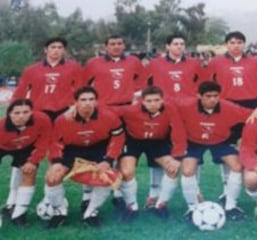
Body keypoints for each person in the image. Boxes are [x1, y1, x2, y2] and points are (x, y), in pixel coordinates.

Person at [203, 31, 257, 203]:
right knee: (226, 149)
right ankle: (227, 191)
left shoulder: (255, 62)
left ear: (244, 44)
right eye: (232, 42)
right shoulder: (216, 62)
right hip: (226, 108)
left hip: (252, 108)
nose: (236, 45)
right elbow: (206, 85)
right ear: (226, 44)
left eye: (239, 42)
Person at [6, 37, 82, 215]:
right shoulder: (32, 70)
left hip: (63, 116)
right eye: (53, 47)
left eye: (60, 47)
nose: (56, 50)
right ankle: (12, 200)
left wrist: (74, 108)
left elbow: (81, 91)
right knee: (25, 157)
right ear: (45, 50)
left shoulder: (73, 67)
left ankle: (52, 197)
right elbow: (19, 94)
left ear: (64, 50)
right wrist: (18, 114)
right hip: (38, 116)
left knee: (60, 155)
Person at [45, 86, 125, 228]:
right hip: (72, 150)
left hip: (98, 147)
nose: (87, 103)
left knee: (106, 177)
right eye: (83, 100)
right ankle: (59, 211)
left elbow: (118, 138)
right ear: (75, 102)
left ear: (96, 101)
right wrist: (56, 161)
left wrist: (108, 160)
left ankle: (91, 213)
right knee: (52, 177)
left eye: (91, 99)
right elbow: (55, 142)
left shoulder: (109, 116)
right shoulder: (62, 120)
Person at [82, 35, 145, 209]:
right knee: (98, 150)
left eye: (119, 43)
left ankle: (118, 191)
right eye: (112, 44)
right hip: (102, 111)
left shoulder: (133, 61)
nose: (116, 47)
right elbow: (82, 86)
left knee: (122, 151)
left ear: (124, 45)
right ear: (106, 47)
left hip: (126, 111)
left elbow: (142, 84)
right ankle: (87, 194)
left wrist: (135, 100)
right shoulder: (94, 63)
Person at [177, 81, 255, 221]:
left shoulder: (228, 107)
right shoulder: (185, 106)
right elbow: (167, 105)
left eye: (216, 96)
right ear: (199, 96)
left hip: (221, 140)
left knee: (237, 166)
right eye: (208, 96)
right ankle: (192, 208)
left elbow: (251, 114)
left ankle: (231, 206)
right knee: (188, 170)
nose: (213, 99)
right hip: (193, 141)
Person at [142, 34, 203, 208]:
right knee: (159, 151)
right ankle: (154, 193)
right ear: (167, 46)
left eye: (182, 43)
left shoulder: (194, 63)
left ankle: (196, 191)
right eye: (175, 44)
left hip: (188, 114)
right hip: (163, 113)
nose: (179, 47)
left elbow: (202, 85)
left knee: (192, 152)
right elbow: (145, 86)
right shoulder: (155, 64)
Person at [113, 86, 187, 221]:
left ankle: (161, 205)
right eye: (149, 101)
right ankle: (132, 207)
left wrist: (177, 157)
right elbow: (105, 111)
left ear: (162, 100)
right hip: (133, 141)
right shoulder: (130, 110)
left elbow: (179, 132)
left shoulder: (170, 109)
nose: (153, 104)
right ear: (142, 101)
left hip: (158, 141)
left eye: (156, 100)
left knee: (173, 169)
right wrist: (73, 108)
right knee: (127, 172)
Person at [0, 99, 52, 225]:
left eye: (25, 112)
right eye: (16, 113)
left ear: (31, 112)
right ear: (9, 114)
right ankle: (10, 206)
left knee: (29, 172)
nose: (21, 116)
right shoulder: (1, 127)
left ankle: (18, 214)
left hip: (26, 146)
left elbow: (44, 142)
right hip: (3, 146)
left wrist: (33, 161)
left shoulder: (42, 120)